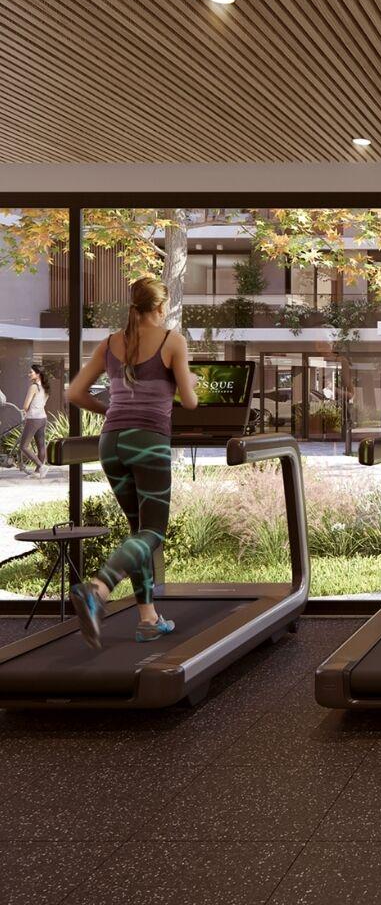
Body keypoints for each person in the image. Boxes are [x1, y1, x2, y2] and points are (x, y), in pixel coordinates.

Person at [64, 277, 199, 649]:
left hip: (111, 443)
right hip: (148, 442)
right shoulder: (173, 341)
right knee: (153, 532)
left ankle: (148, 619)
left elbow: (74, 392)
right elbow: (189, 402)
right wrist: (189, 381)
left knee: (138, 531)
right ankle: (98, 588)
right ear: (161, 307)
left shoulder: (110, 343)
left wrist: (111, 411)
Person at [18, 362, 50, 477]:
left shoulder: (33, 387)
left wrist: (24, 411)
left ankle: (41, 466)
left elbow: (26, 406)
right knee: (41, 446)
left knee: (23, 446)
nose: (29, 374)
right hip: (42, 418)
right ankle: (38, 472)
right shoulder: (46, 388)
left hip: (33, 419)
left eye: (31, 372)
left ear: (38, 374)